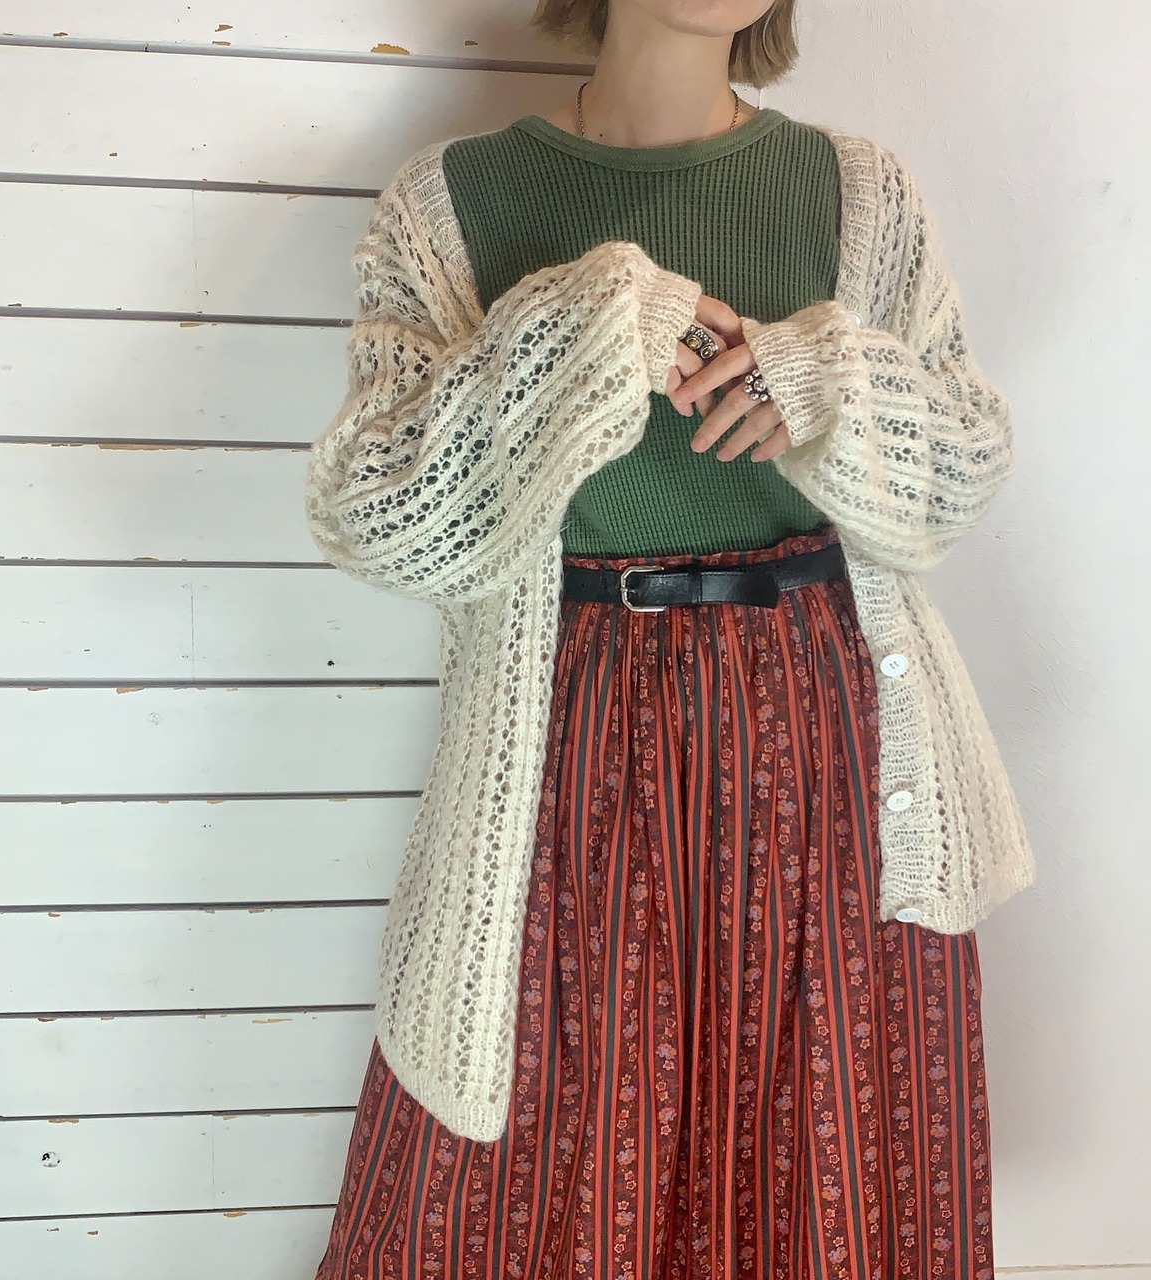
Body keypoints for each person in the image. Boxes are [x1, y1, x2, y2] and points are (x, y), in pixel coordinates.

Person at [304, 0, 1036, 1274]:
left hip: (830, 742)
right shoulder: (453, 203)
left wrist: (830, 386)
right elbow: (377, 513)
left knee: (825, 1153)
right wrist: (588, 326)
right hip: (565, 737)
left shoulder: (856, 192)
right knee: (539, 1161)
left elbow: (963, 467)